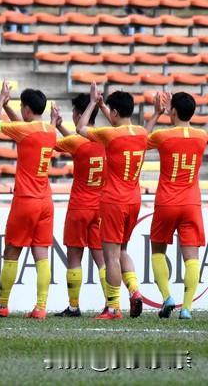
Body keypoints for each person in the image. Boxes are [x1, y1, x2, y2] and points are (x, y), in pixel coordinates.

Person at [0, 82, 56, 319]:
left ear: (27, 109)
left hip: (26, 199)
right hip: (45, 200)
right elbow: (21, 126)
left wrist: (1, 99)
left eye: (21, 107)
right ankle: (41, 307)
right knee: (41, 254)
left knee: (12, 251)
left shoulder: (25, 130)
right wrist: (9, 106)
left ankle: (2, 304)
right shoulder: (50, 130)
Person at [76, 83, 147, 320]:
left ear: (114, 112)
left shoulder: (109, 134)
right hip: (134, 199)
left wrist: (92, 104)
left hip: (113, 201)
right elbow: (119, 124)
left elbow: (80, 128)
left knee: (111, 256)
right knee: (123, 249)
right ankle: (134, 290)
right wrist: (104, 106)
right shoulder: (142, 132)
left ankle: (114, 307)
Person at [145, 91, 207, 320]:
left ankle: (167, 297)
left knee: (157, 250)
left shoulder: (163, 136)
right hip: (191, 202)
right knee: (191, 257)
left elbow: (139, 141)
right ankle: (187, 308)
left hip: (167, 201)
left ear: (173, 111)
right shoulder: (202, 136)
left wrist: (156, 113)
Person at [50, 95, 108, 317]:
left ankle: (73, 306)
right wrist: (61, 126)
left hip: (79, 206)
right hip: (99, 207)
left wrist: (53, 124)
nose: (73, 116)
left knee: (74, 256)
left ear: (80, 114)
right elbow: (78, 143)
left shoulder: (77, 142)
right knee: (102, 258)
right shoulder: (106, 138)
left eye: (74, 112)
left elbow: (53, 144)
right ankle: (111, 303)